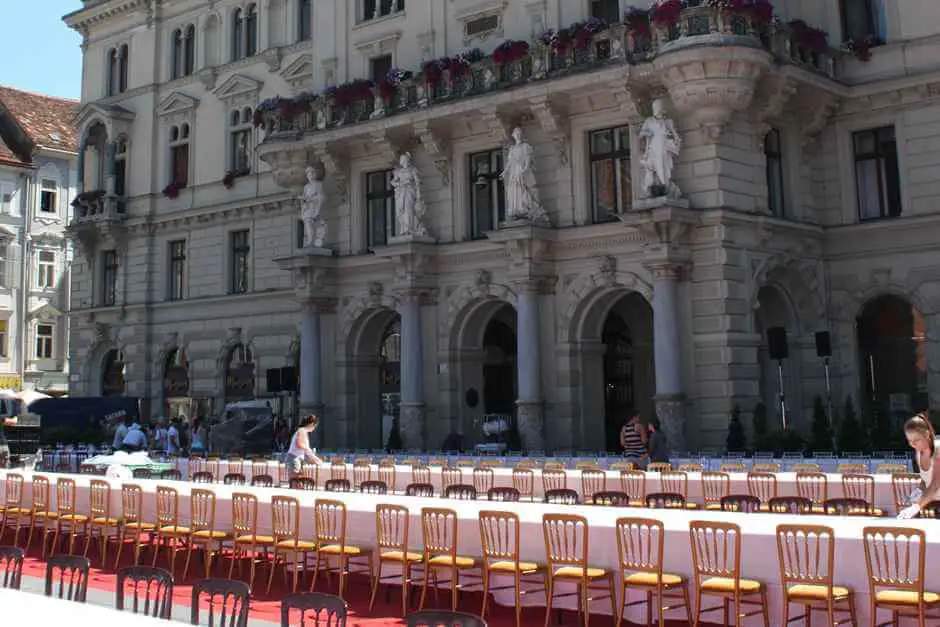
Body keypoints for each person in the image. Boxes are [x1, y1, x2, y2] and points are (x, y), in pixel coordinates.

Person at [899, 412, 940, 519]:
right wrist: (918, 491)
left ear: (927, 435)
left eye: (916, 440)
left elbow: (935, 485)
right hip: (934, 504)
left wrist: (916, 507)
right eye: (909, 441)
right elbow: (925, 480)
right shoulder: (919, 452)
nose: (913, 444)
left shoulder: (938, 450)